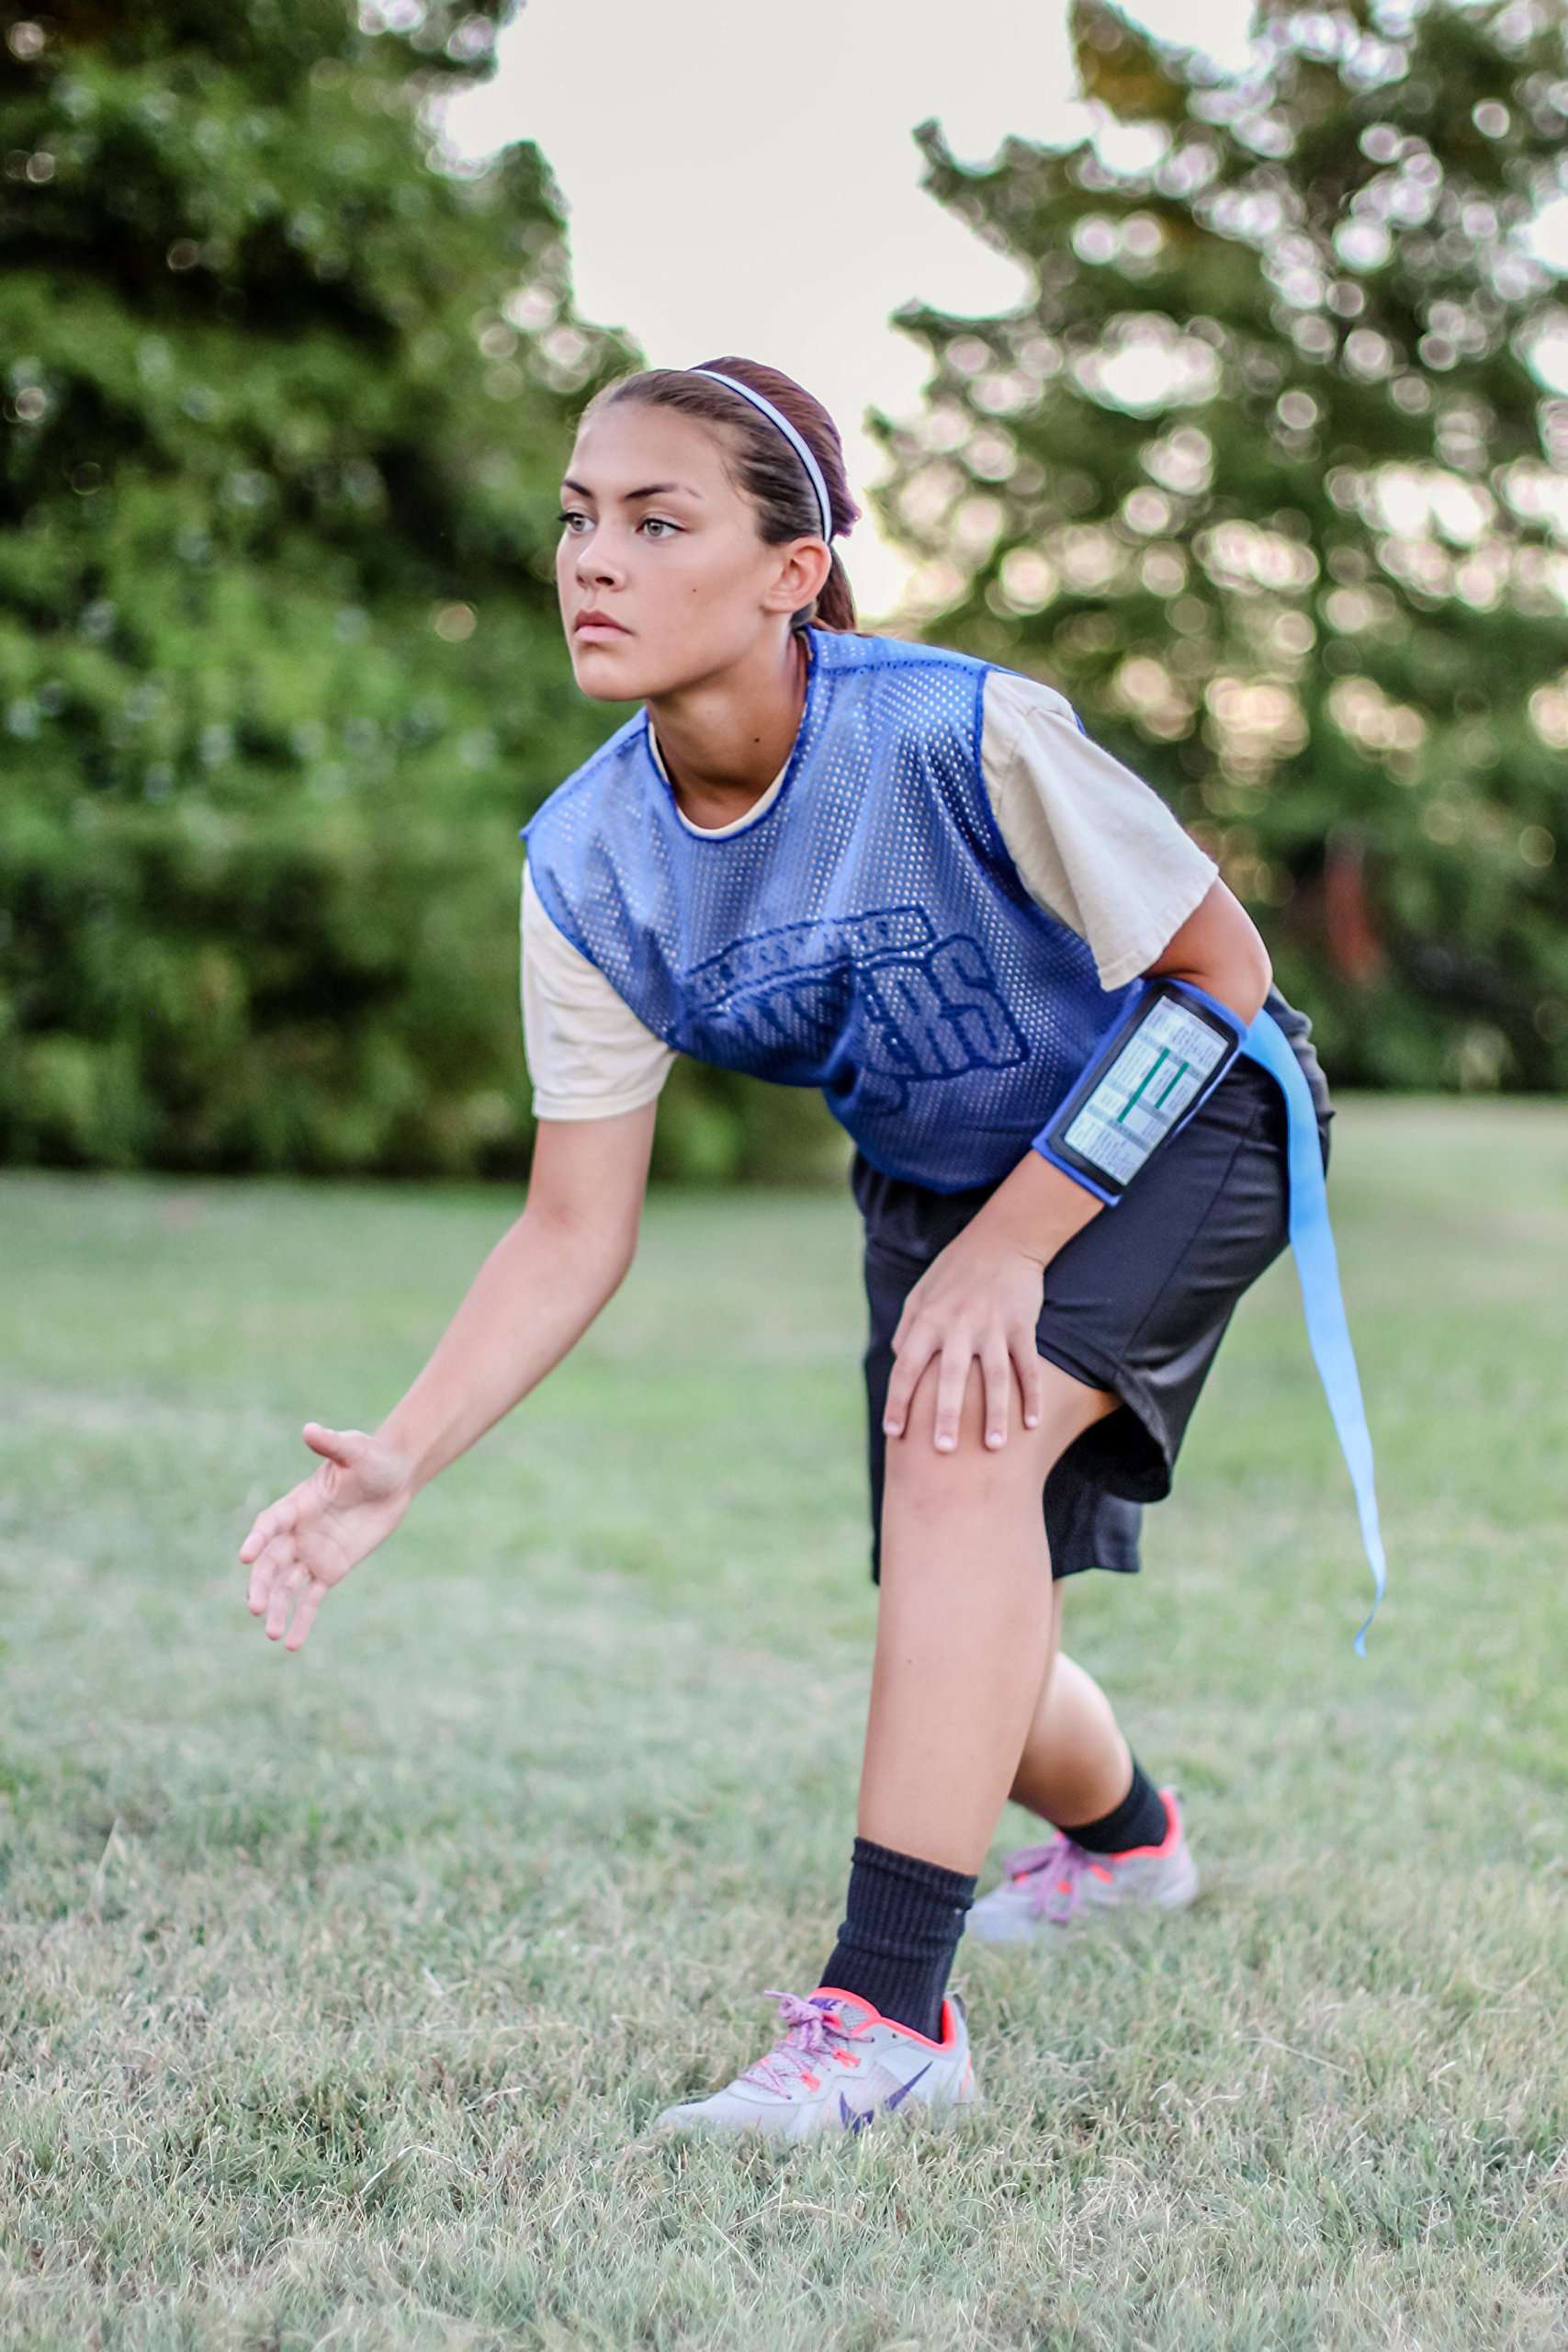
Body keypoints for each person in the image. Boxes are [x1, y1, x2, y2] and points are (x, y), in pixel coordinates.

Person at [240, 356, 1380, 2144]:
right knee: (963, 1635)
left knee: (956, 1459)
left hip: (1186, 1102)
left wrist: (1012, 1241)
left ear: (791, 569)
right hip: (940, 1179)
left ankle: (887, 2020)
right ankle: (1125, 1838)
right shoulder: (589, 866)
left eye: (654, 518)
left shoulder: (956, 729)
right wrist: (404, 1448)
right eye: (574, 517)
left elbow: (1215, 981)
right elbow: (569, 1224)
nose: (588, 560)